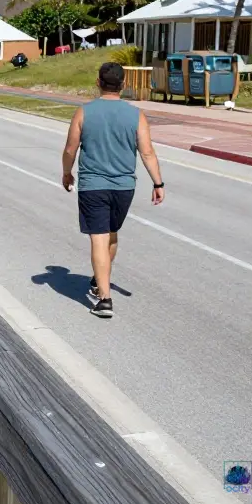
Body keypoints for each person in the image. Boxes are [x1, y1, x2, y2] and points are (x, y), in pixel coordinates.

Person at [61, 62, 164, 319]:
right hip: (123, 187)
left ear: (98, 82)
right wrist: (158, 183)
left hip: (93, 185)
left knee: (99, 237)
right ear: (124, 85)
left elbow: (70, 149)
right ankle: (100, 280)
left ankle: (104, 299)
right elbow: (147, 151)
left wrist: (66, 172)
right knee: (112, 234)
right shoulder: (136, 115)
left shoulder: (84, 112)